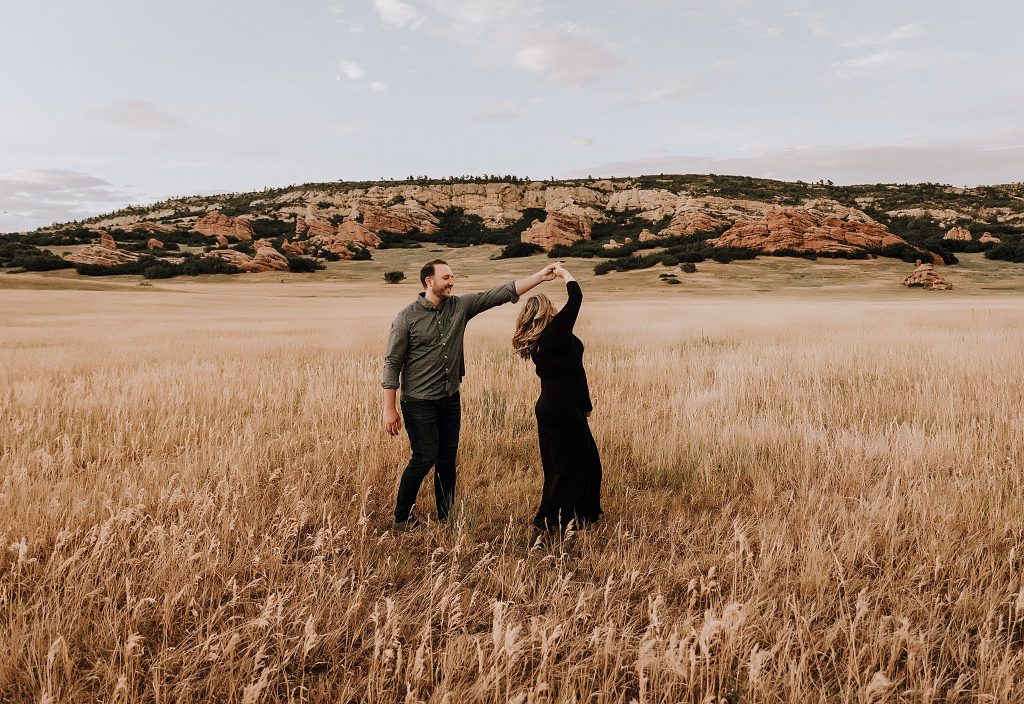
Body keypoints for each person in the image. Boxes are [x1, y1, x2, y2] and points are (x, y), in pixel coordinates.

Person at [382, 258, 559, 531]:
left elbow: (500, 293)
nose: (451, 282)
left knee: (447, 459)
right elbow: (393, 362)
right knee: (424, 457)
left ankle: (445, 515)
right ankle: (402, 518)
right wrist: (389, 408)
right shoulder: (407, 317)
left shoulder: (460, 307)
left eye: (452, 277)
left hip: (450, 398)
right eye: (446, 278)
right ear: (429, 282)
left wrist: (540, 276)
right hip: (418, 401)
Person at [512, 263, 602, 536]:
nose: (556, 308)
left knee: (558, 466)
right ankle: (562, 519)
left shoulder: (542, 338)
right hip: (562, 408)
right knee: (583, 465)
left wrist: (584, 405)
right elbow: (576, 298)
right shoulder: (555, 334)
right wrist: (563, 274)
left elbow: (574, 372)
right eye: (551, 305)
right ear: (546, 311)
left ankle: (553, 517)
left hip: (553, 405)